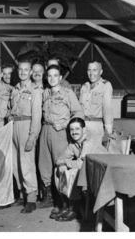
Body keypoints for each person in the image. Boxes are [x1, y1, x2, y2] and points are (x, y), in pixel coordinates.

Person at [38, 65, 84, 214]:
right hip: (46, 130)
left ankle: (68, 205)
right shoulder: (45, 93)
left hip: (60, 133)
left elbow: (78, 112)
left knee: (61, 167)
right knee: (45, 167)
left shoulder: (67, 93)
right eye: (49, 76)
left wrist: (65, 125)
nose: (52, 78)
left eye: (55, 75)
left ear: (60, 77)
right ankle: (57, 202)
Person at [54, 117, 107, 221]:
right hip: (90, 170)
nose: (74, 132)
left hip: (102, 173)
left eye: (77, 129)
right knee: (57, 169)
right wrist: (61, 164)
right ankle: (66, 204)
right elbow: (59, 158)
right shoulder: (74, 143)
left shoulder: (88, 141)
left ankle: (74, 208)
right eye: (71, 130)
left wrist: (65, 163)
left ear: (84, 130)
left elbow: (80, 165)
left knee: (74, 172)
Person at [9, 59, 43, 213]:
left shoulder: (35, 90)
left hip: (27, 127)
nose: (22, 72)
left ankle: (31, 199)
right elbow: (12, 109)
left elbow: (36, 116)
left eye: (26, 69)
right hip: (14, 126)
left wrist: (32, 136)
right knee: (16, 164)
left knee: (27, 164)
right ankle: (22, 195)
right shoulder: (15, 89)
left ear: (30, 72)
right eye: (20, 69)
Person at [79, 61, 113, 146]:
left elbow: (107, 109)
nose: (91, 73)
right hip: (83, 126)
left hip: (96, 127)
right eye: (89, 70)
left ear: (100, 72)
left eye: (94, 70)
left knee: (94, 154)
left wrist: (108, 131)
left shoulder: (105, 85)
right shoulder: (84, 87)